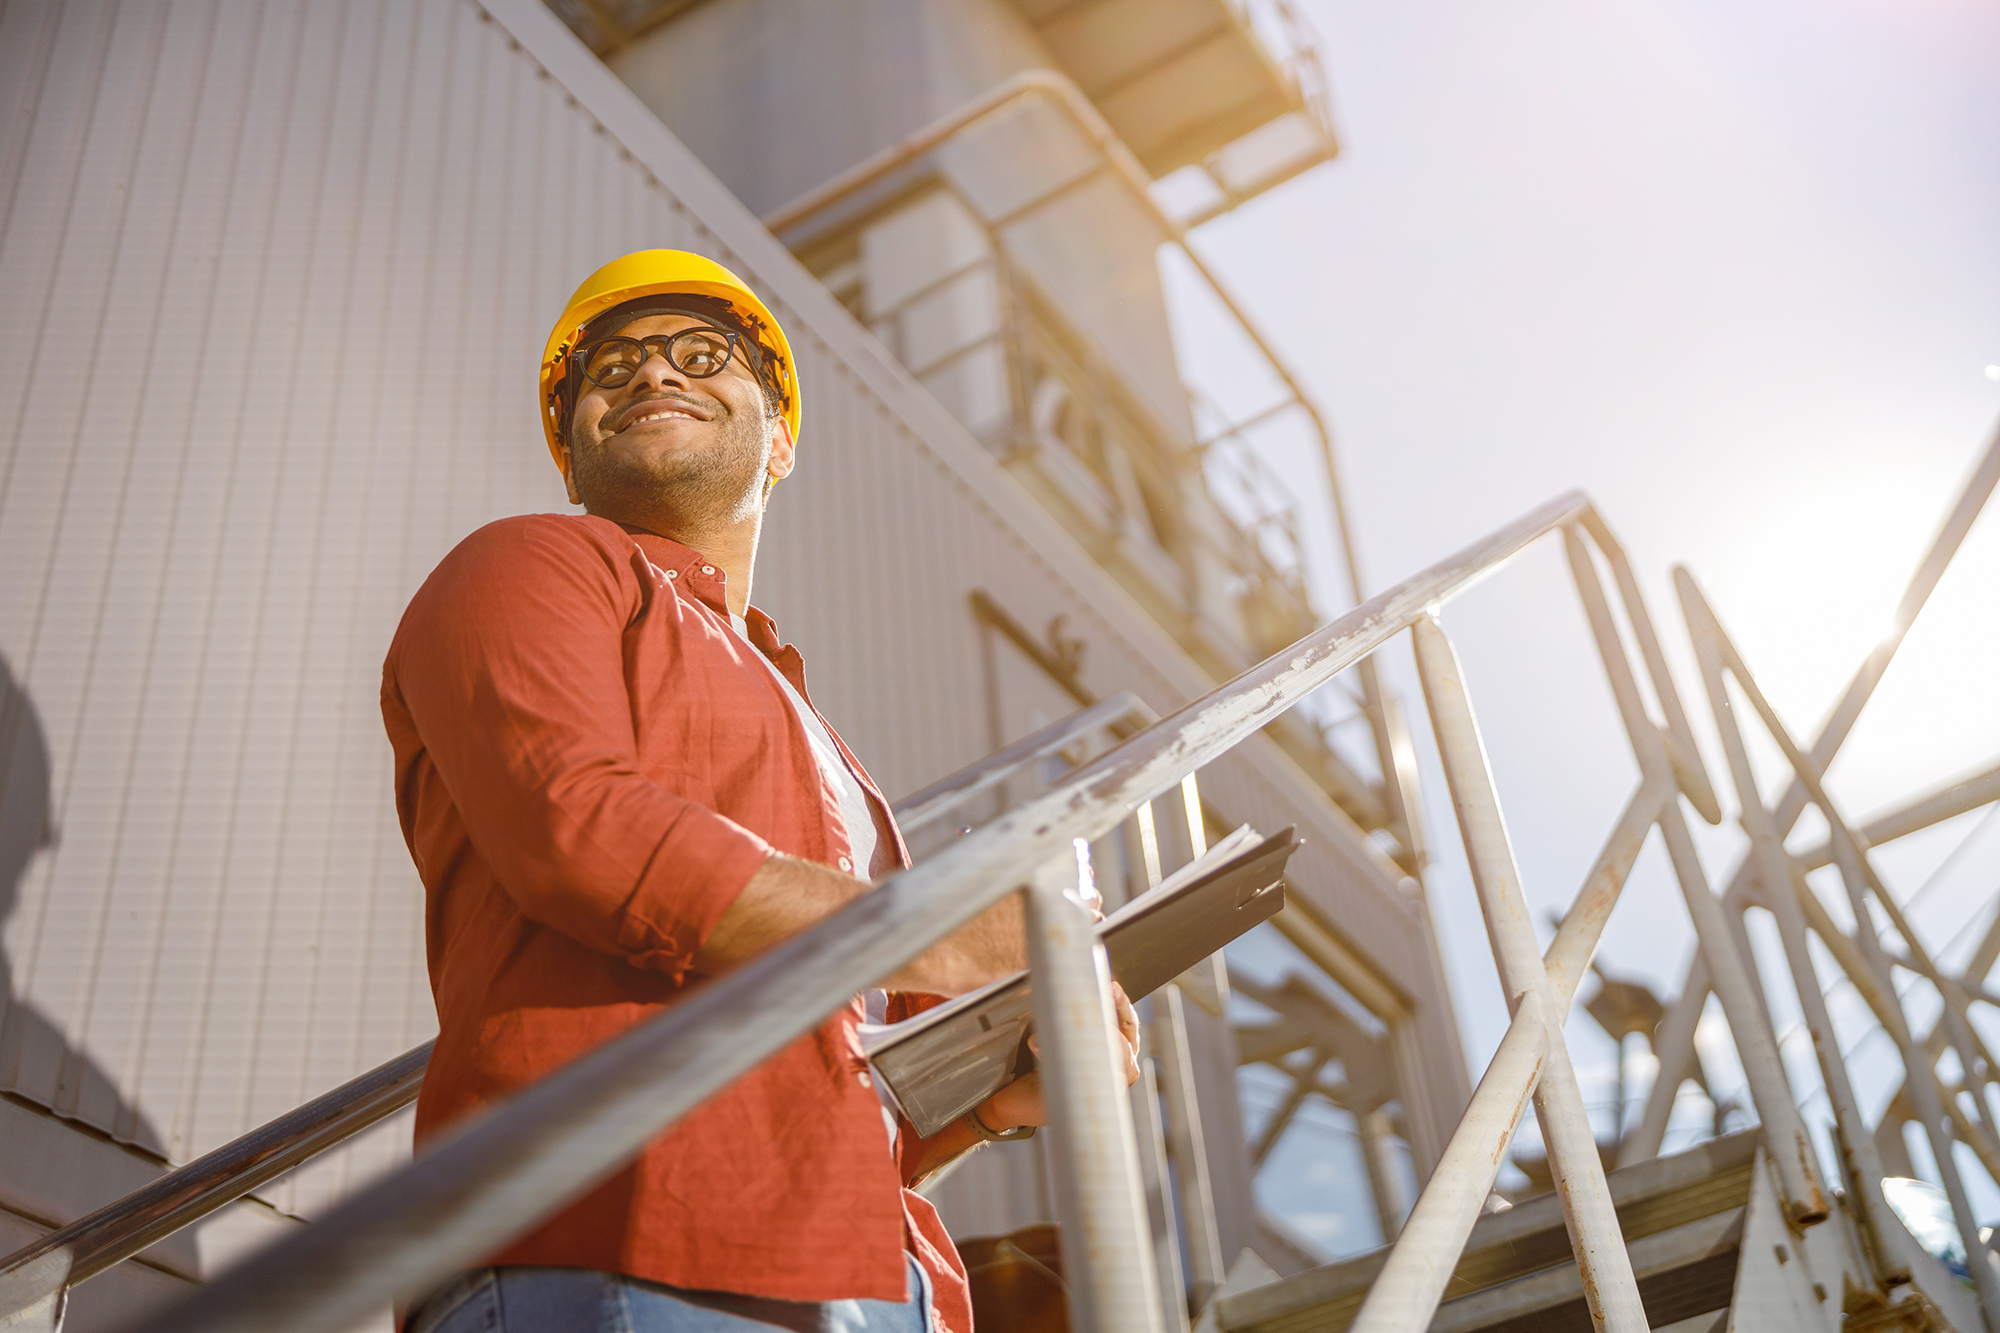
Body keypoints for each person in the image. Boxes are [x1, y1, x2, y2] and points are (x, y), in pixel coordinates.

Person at [381, 251, 1138, 1333]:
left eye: (701, 353)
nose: (650, 375)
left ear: (779, 438)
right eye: (610, 366)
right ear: (568, 451)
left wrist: (995, 1094)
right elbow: (578, 832)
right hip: (614, 1239)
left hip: (880, 1281)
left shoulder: (827, 751)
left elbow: (853, 1077)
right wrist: (962, 938)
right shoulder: (530, 566)